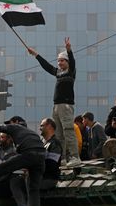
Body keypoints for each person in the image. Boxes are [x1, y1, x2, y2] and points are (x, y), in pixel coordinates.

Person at [27, 37, 80, 167]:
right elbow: (46, 66)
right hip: (56, 106)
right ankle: (61, 158)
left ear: (67, 62)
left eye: (62, 60)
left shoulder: (71, 71)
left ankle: (74, 156)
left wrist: (69, 50)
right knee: (59, 134)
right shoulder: (58, 73)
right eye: (58, 61)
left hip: (66, 106)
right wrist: (36, 55)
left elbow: (72, 62)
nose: (60, 63)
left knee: (68, 130)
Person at [10, 118, 62, 206]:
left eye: (42, 125)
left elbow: (52, 165)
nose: (40, 128)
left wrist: (33, 169)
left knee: (31, 182)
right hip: (38, 176)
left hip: (49, 179)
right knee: (15, 181)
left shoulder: (55, 144)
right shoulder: (41, 143)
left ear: (49, 126)